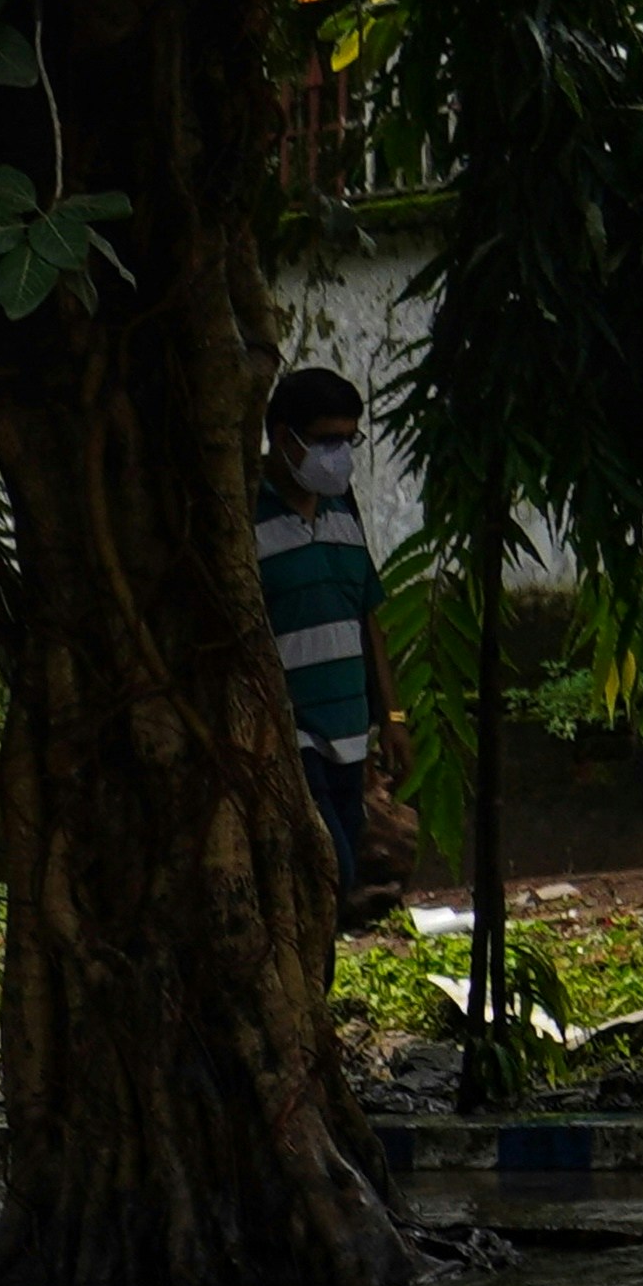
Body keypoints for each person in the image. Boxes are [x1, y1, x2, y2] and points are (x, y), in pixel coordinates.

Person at [254, 366, 396, 922]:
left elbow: (368, 617)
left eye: (348, 440)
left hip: (349, 728)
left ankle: (313, 993)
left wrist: (394, 715)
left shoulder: (344, 515)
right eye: (326, 441)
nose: (339, 455)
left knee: (334, 879)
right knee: (325, 861)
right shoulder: (247, 515)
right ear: (284, 437)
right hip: (291, 730)